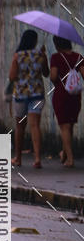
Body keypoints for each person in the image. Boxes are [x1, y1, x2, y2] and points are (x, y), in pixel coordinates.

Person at [8, 29, 49, 168]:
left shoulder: (17, 56)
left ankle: (18, 158)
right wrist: (43, 58)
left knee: (20, 127)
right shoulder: (40, 55)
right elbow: (46, 73)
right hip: (37, 95)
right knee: (35, 126)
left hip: (21, 95)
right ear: (35, 41)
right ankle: (37, 159)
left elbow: (12, 77)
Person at [50, 35, 84, 168]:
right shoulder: (78, 57)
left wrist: (60, 78)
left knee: (64, 126)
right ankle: (64, 153)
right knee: (70, 124)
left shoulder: (56, 57)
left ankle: (70, 159)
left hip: (61, 94)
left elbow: (53, 76)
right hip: (75, 95)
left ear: (57, 44)